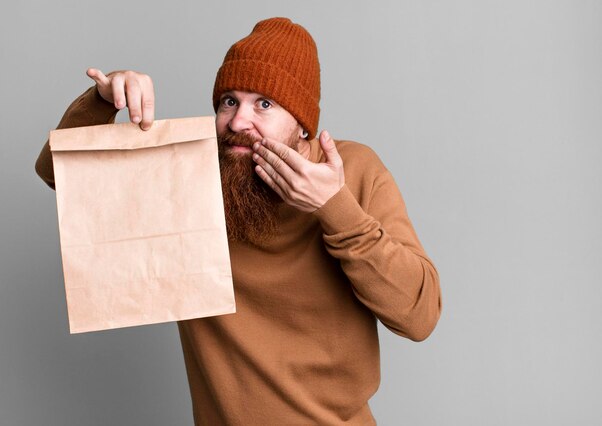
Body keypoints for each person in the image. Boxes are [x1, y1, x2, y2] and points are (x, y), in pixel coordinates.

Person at [35, 17, 441, 425]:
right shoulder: (196, 174)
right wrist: (103, 102)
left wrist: (334, 207)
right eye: (229, 100)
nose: (238, 121)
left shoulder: (352, 171)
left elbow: (419, 316)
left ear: (303, 126)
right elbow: (59, 175)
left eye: (264, 104)